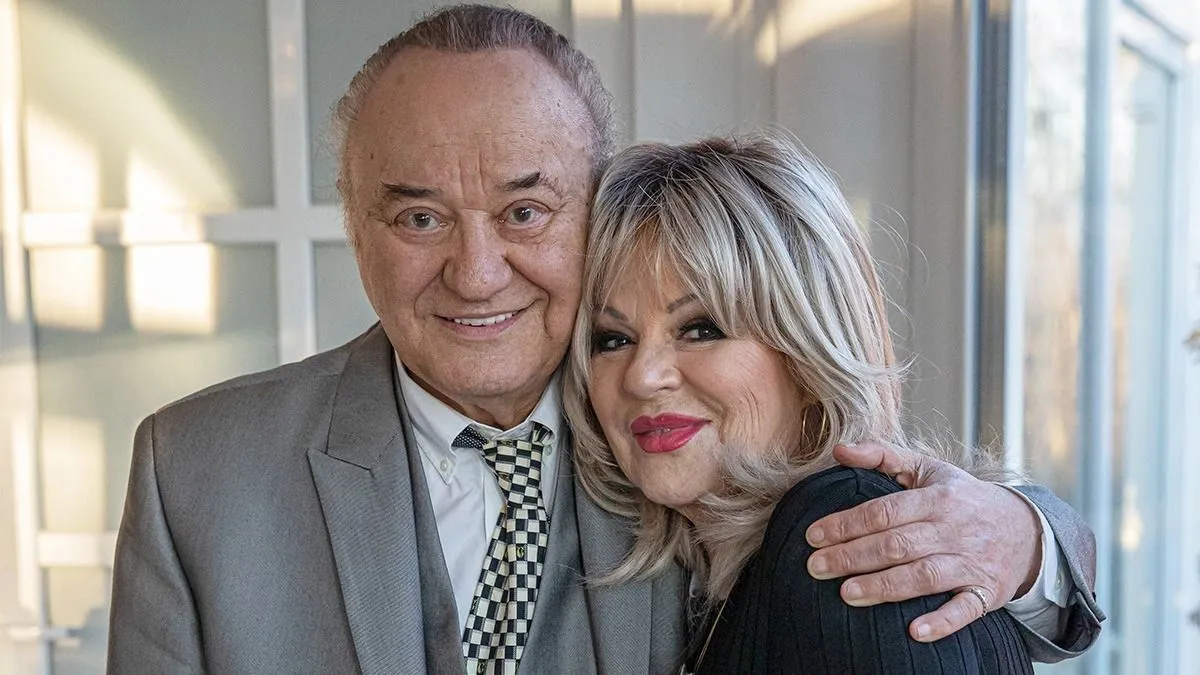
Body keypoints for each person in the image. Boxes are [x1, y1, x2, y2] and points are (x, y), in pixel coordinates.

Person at [107, 5, 1101, 674]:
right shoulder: (196, 471)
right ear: (354, 225)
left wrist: (1029, 541)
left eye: (525, 210)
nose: (476, 271)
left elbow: (875, 539)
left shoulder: (691, 449)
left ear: (594, 210)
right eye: (419, 218)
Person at [567, 132, 1070, 673]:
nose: (643, 377)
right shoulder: (718, 581)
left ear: (808, 353)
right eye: (613, 339)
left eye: (701, 329)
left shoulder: (847, 540)